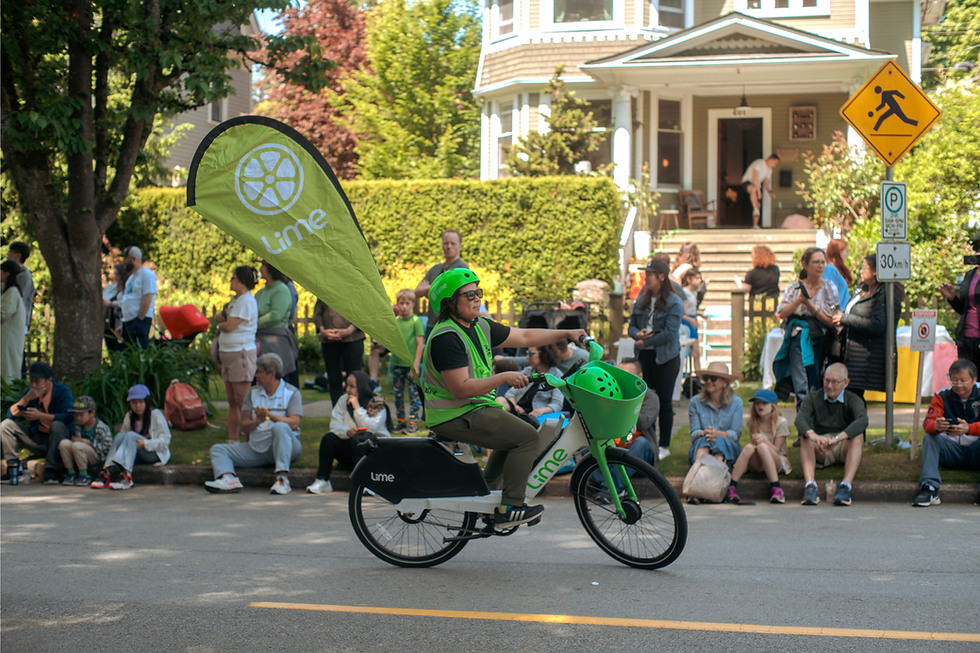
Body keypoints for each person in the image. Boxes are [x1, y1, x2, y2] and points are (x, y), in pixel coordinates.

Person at [421, 268, 587, 527]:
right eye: (469, 294)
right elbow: (461, 389)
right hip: (453, 413)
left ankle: (483, 493)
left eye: (479, 292)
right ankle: (509, 507)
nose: (477, 298)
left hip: (473, 407)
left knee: (519, 431)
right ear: (449, 303)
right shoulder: (447, 337)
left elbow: (525, 335)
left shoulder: (480, 325)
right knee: (526, 437)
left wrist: (566, 333)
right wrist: (503, 377)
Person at [204, 354, 303, 495]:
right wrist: (257, 421)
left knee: (280, 427)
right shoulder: (252, 393)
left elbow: (294, 423)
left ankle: (282, 479)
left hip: (288, 447)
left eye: (259, 372)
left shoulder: (291, 393)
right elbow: (243, 425)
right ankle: (229, 479)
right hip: (257, 448)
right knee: (218, 450)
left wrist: (270, 416)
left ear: (272, 374)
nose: (256, 375)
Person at [628, 258, 683, 461]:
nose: (646, 278)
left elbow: (670, 333)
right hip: (644, 357)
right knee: (643, 399)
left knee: (664, 401)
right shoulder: (642, 295)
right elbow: (631, 325)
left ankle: (664, 444)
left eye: (649, 274)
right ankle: (646, 440)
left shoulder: (674, 301)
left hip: (666, 358)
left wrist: (645, 343)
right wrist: (637, 335)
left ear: (661, 276)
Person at [306, 371, 392, 495]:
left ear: (362, 387)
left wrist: (357, 408)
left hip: (373, 453)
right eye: (347, 385)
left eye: (352, 386)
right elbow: (334, 425)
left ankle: (369, 482)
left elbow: (371, 428)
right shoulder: (343, 400)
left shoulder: (378, 404)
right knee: (329, 439)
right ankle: (323, 480)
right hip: (351, 450)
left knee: (363, 437)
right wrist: (347, 432)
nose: (347, 389)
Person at [773, 247, 840, 405]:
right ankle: (804, 426)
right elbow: (781, 312)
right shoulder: (795, 288)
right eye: (815, 262)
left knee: (816, 382)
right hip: (798, 339)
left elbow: (834, 319)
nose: (819, 266)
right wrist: (799, 301)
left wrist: (810, 305)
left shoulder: (830, 288)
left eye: (823, 262)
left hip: (821, 341)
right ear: (805, 264)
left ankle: (817, 424)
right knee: (801, 386)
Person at [796, 363, 868, 506]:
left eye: (835, 382)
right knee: (805, 437)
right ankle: (810, 485)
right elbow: (800, 419)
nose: (829, 386)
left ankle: (845, 486)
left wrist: (837, 438)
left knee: (858, 436)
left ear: (845, 383)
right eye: (826, 380)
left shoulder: (853, 399)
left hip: (842, 443)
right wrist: (813, 435)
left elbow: (862, 420)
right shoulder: (813, 397)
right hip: (821, 445)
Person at [914, 359, 980, 507]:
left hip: (976, 450)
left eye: (963, 380)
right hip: (951, 451)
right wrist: (936, 426)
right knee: (930, 436)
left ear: (974, 379)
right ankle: (929, 488)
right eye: (954, 380)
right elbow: (928, 423)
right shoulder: (941, 396)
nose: (958, 385)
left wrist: (969, 429)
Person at [833, 254, 900, 400]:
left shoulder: (885, 294)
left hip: (867, 357)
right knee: (850, 397)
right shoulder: (862, 288)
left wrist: (845, 319)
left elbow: (878, 324)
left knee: (852, 399)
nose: (861, 271)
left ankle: (858, 423)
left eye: (864, 268)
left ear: (875, 271)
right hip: (851, 353)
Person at [0, 362, 74, 485]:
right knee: (6, 425)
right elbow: (10, 415)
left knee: (57, 425)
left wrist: (40, 416)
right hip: (36, 438)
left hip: (57, 442)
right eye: (31, 381)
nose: (34, 385)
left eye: (37, 381)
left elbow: (68, 417)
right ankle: (13, 469)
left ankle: (51, 469)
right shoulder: (30, 393)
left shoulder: (63, 391)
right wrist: (26, 399)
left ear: (49, 380)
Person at [91, 384, 171, 490]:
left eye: (140, 402)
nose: (137, 406)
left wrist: (145, 444)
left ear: (146, 402)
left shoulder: (156, 414)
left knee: (131, 435)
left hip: (153, 453)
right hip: (135, 453)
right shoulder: (129, 416)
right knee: (120, 435)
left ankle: (127, 476)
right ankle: (107, 473)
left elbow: (165, 441)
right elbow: (123, 439)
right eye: (134, 403)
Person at [214, 266, 259, 443]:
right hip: (228, 354)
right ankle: (233, 438)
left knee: (242, 401)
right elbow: (221, 315)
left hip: (240, 353)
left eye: (232, 278)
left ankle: (248, 439)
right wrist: (222, 322)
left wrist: (221, 325)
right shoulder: (235, 300)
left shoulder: (247, 301)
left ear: (241, 282)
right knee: (232, 400)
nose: (230, 281)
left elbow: (229, 325)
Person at [726, 389, 791, 504]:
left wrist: (764, 440)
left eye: (764, 403)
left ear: (773, 406)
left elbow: (776, 449)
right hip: (759, 461)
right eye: (757, 403)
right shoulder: (753, 422)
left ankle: (777, 489)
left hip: (777, 459)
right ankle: (731, 488)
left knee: (762, 447)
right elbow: (754, 446)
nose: (760, 406)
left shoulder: (781, 422)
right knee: (749, 447)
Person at [688, 362, 743, 469]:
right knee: (704, 441)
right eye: (706, 378)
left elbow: (735, 434)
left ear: (724, 382)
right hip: (703, 443)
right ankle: (703, 471)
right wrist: (705, 433)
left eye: (713, 378)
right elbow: (694, 433)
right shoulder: (695, 402)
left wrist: (718, 434)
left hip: (728, 445)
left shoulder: (736, 402)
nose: (708, 381)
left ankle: (707, 474)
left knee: (720, 441)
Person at [414, 229, 469, 337]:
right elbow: (417, 291)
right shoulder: (435, 269)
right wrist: (438, 290)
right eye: (446, 243)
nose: (449, 246)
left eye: (453, 243)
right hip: (432, 324)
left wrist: (430, 291)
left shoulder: (462, 269)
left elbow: (456, 294)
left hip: (453, 325)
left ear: (460, 246)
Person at [938, 234, 980, 368]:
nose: (978, 251)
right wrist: (952, 297)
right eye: (977, 248)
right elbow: (964, 309)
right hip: (966, 340)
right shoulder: (969, 275)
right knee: (967, 380)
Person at [313, 299, 366, 406]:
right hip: (329, 340)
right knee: (333, 379)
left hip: (353, 338)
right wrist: (322, 330)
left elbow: (364, 312)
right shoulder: (324, 287)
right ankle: (337, 413)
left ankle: (356, 411)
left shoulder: (356, 286)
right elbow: (318, 314)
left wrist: (349, 330)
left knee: (354, 378)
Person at [255, 261, 300, 386]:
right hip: (261, 339)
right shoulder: (261, 292)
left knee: (276, 378)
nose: (259, 268)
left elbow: (276, 315)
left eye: (262, 266)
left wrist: (254, 324)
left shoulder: (281, 289)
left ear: (270, 269)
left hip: (276, 341)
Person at [497, 344, 564, 427]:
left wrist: (540, 411)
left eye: (531, 353)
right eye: (527, 353)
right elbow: (511, 393)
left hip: (533, 415)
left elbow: (557, 404)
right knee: (500, 400)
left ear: (544, 354)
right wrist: (514, 405)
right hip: (518, 410)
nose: (527, 357)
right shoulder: (528, 371)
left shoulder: (556, 375)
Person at [57, 396, 112, 487]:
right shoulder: (79, 426)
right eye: (76, 415)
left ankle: (84, 474)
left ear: (92, 413)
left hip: (96, 455)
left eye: (81, 415)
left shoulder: (101, 427)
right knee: (64, 443)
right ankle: (71, 472)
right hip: (80, 453)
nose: (78, 418)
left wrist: (89, 443)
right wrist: (74, 440)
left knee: (77, 445)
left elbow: (108, 448)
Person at [390, 289, 425, 433]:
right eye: (401, 303)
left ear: (413, 304)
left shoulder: (415, 321)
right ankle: (400, 421)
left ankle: (414, 423)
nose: (404, 306)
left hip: (411, 365)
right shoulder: (396, 321)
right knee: (398, 394)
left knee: (413, 394)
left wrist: (415, 365)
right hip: (397, 364)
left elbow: (419, 344)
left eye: (407, 303)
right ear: (397, 304)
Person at [617, 358, 660, 464]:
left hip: (638, 450)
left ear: (640, 377)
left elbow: (644, 422)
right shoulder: (613, 393)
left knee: (641, 443)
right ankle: (609, 478)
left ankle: (607, 479)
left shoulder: (650, 397)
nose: (622, 380)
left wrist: (621, 405)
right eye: (619, 375)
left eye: (627, 376)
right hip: (614, 446)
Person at [118, 246, 158, 349]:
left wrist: (139, 320)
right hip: (129, 321)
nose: (124, 262)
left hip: (140, 320)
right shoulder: (132, 277)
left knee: (139, 351)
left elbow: (148, 297)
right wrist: (125, 322)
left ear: (133, 259)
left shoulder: (147, 275)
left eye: (125, 258)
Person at [7, 241, 35, 375]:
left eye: (10, 252)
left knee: (17, 354)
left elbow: (19, 299)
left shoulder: (24, 275)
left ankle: (20, 381)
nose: (7, 255)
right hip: (11, 321)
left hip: (19, 320)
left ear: (17, 255)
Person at [1, 261, 27, 381]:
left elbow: (3, 314)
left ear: (6, 273)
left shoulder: (11, 292)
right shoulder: (9, 290)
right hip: (8, 338)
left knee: (8, 369)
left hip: (9, 339)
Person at [741, 154, 779, 229]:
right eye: (775, 163)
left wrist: (769, 191)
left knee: (758, 205)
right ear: (771, 160)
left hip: (757, 186)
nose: (775, 166)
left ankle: (755, 225)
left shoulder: (769, 170)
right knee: (754, 189)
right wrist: (758, 190)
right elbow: (754, 178)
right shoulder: (759, 163)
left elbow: (766, 183)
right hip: (747, 182)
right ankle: (755, 208)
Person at [102, 262, 129, 352]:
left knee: (121, 350)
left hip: (119, 324)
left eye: (118, 274)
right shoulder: (110, 287)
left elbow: (126, 303)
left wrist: (111, 303)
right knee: (111, 350)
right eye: (115, 274)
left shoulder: (128, 290)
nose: (115, 277)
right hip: (107, 324)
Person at [680, 267, 703, 372]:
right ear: (689, 279)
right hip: (686, 322)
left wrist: (700, 314)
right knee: (686, 351)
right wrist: (690, 319)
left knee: (696, 352)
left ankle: (698, 373)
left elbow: (691, 310)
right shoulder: (684, 292)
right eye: (697, 278)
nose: (699, 281)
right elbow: (682, 312)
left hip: (692, 320)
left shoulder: (694, 293)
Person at [824, 239, 852, 309]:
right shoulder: (830, 270)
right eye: (846, 251)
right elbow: (831, 296)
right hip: (837, 315)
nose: (847, 255)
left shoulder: (834, 269)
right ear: (839, 252)